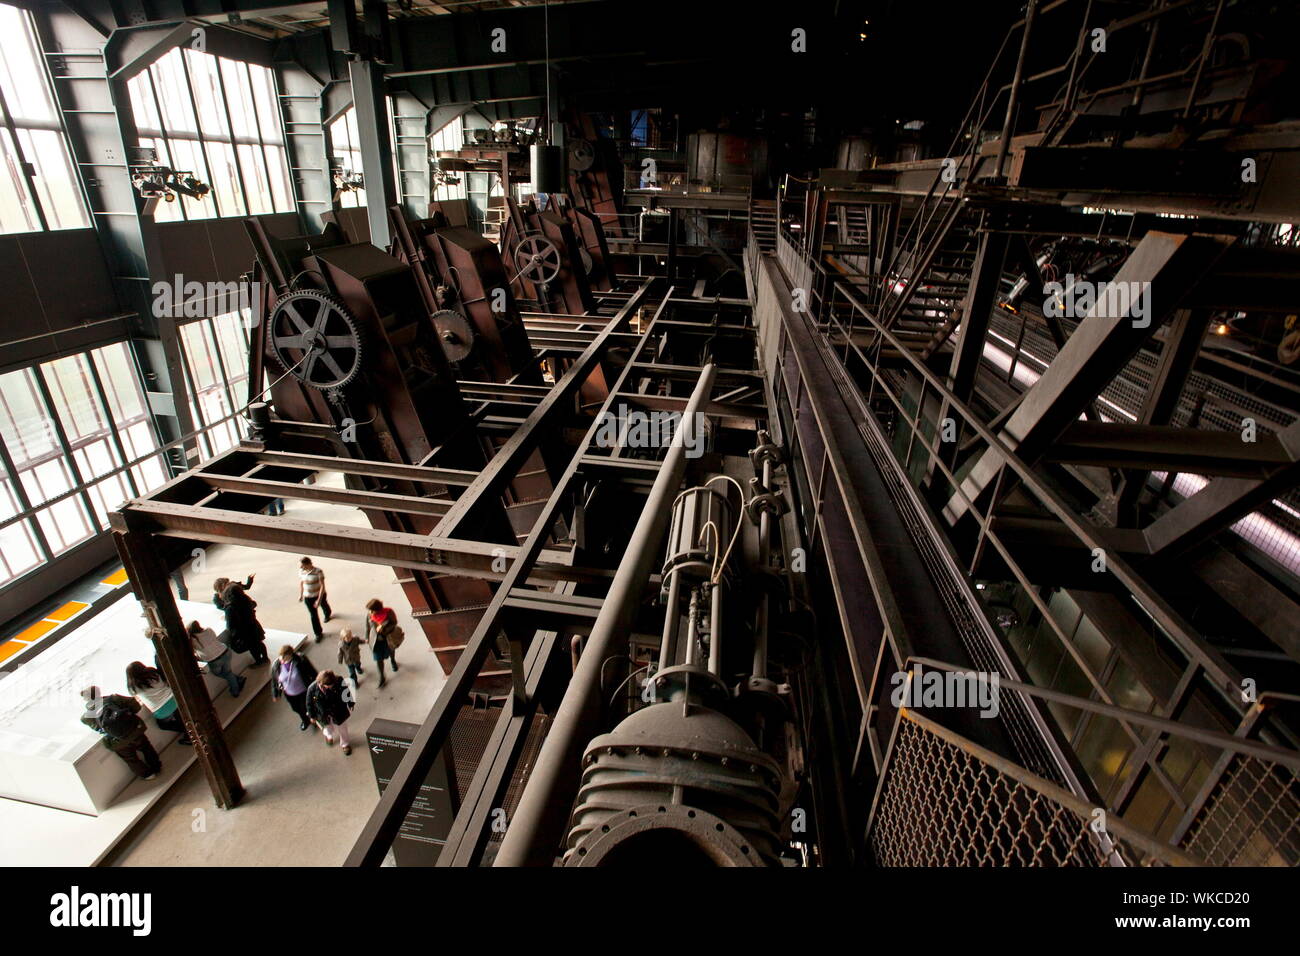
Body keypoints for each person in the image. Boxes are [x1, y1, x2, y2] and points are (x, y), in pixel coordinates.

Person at [80, 686, 162, 780]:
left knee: (131, 759)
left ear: (86, 699)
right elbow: (136, 706)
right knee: (146, 747)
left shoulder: (86, 718)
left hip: (118, 741)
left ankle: (147, 775)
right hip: (134, 730)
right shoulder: (114, 698)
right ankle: (156, 766)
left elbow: (98, 729)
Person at [125, 661, 190, 745]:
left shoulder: (133, 687)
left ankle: (188, 730)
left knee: (163, 725)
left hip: (161, 710)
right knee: (180, 717)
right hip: (174, 699)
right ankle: (189, 731)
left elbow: (134, 696)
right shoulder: (153, 673)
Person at [214, 574, 269, 664]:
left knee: (252, 647)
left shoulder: (230, 608)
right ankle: (265, 658)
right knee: (259, 642)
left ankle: (259, 662)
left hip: (244, 631)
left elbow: (230, 625)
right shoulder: (244, 599)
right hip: (253, 624)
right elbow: (253, 604)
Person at [189, 620, 246, 697]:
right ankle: (237, 680)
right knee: (228, 672)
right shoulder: (208, 630)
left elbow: (194, 650)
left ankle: (235, 691)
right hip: (225, 651)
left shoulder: (193, 640)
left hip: (214, 659)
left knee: (219, 673)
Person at [306, 670, 355, 755]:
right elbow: (309, 703)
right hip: (322, 713)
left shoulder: (338, 680)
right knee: (327, 728)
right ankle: (329, 736)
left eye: (332, 684)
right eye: (328, 685)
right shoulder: (312, 689)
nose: (331, 687)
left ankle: (345, 744)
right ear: (321, 683)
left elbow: (346, 691)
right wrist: (312, 716)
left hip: (338, 709)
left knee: (343, 728)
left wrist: (350, 703)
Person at [271, 644, 318, 731]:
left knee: (305, 707)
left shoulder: (301, 660)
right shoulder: (276, 665)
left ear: (290, 655)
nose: (281, 659)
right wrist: (275, 694)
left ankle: (313, 718)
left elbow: (312, 672)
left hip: (303, 691)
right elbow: (275, 681)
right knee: (296, 708)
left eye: (284, 657)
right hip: (289, 693)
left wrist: (317, 684)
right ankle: (305, 720)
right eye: (280, 656)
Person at [364, 598, 402, 688]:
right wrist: (366, 637)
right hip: (376, 641)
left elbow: (394, 623)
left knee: (391, 651)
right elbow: (367, 627)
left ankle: (393, 661)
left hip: (387, 638)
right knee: (378, 659)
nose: (370, 612)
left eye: (372, 610)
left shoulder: (388, 612)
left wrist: (384, 629)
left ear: (377, 609)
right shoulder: (369, 615)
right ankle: (382, 677)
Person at [298, 557, 332, 642]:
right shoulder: (301, 571)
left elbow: (322, 586)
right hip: (308, 597)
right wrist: (301, 595)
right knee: (313, 615)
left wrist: (319, 600)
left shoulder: (318, 571)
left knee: (324, 605)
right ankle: (318, 633)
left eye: (303, 565)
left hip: (318, 595)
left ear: (308, 564)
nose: (301, 567)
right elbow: (301, 583)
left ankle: (327, 613)